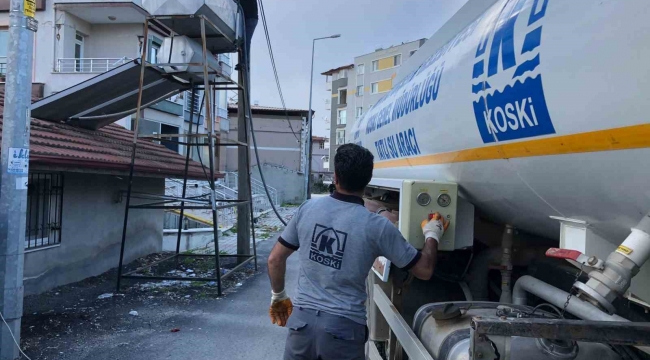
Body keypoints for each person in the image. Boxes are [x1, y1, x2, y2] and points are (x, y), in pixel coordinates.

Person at [267, 143, 448, 360]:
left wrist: (278, 296)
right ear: (367, 180)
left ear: (335, 177)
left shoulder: (307, 209)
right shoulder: (377, 227)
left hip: (301, 326)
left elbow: (275, 259)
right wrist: (432, 234)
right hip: (343, 330)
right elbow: (425, 270)